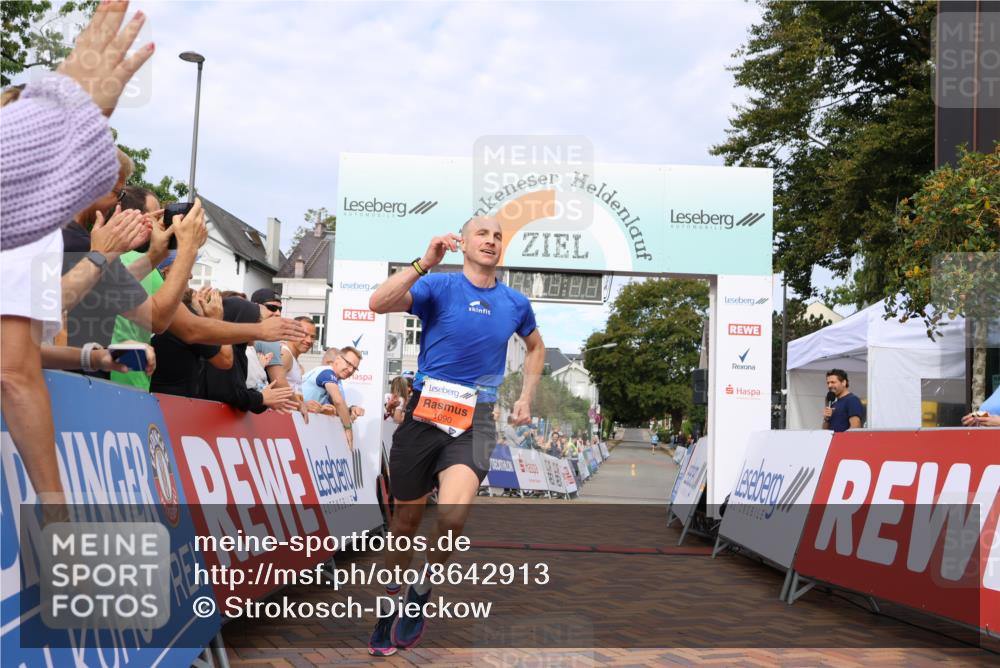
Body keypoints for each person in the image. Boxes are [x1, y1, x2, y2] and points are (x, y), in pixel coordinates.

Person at [0, 0, 153, 520]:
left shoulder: (26, 221)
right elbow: (13, 374)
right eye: (113, 181)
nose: (115, 192)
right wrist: (57, 512)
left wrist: (91, 358)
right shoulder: (35, 226)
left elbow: (18, 353)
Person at [366, 216, 544, 655]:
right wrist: (425, 261)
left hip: (476, 417)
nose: (491, 240)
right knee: (404, 524)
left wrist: (526, 397)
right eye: (482, 233)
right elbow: (378, 302)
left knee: (452, 516)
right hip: (425, 412)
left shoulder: (515, 303)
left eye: (498, 236)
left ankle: (420, 592)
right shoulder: (438, 287)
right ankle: (389, 605)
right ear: (463, 242)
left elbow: (536, 347)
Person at [202, 297, 297, 414]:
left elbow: (240, 393)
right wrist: (261, 398)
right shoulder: (221, 350)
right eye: (256, 321)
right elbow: (226, 394)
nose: (259, 328)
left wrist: (264, 400)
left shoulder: (240, 350)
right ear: (241, 321)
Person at [150, 288, 233, 397]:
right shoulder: (187, 325)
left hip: (154, 396)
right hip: (173, 403)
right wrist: (217, 320)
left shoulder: (165, 316)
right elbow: (226, 360)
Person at [300, 346, 365, 449]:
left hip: (303, 426)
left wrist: (350, 410)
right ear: (338, 359)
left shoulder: (334, 379)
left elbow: (337, 409)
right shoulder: (327, 372)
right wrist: (348, 428)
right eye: (348, 364)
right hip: (295, 423)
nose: (350, 370)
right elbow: (338, 401)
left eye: (354, 368)